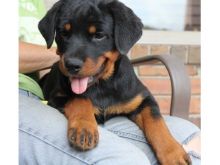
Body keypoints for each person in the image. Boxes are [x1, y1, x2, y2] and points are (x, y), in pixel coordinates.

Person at [19, 0, 201, 164]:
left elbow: (144, 105)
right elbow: (58, 98)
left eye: (98, 35)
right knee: (127, 159)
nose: (74, 58)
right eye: (66, 35)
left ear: (122, 37)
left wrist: (165, 145)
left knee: (193, 141)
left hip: (113, 116)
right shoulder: (62, 76)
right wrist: (80, 111)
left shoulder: (126, 85)